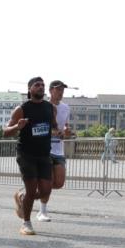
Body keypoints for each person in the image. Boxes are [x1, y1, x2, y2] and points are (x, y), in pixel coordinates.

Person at [4, 77, 59, 236]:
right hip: (26, 154)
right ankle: (26, 223)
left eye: (42, 85)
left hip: (44, 154)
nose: (41, 87)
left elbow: (54, 127)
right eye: (37, 85)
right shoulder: (21, 109)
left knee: (46, 190)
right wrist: (17, 126)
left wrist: (61, 133)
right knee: (31, 188)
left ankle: (22, 198)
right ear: (30, 89)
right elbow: (5, 132)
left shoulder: (50, 108)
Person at [36, 80, 72, 222]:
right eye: (58, 89)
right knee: (48, 182)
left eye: (63, 90)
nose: (61, 92)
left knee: (59, 183)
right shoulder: (43, 106)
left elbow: (65, 127)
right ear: (50, 91)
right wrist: (51, 132)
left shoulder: (66, 108)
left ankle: (26, 195)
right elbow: (38, 127)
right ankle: (42, 211)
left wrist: (66, 132)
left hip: (59, 149)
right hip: (44, 149)